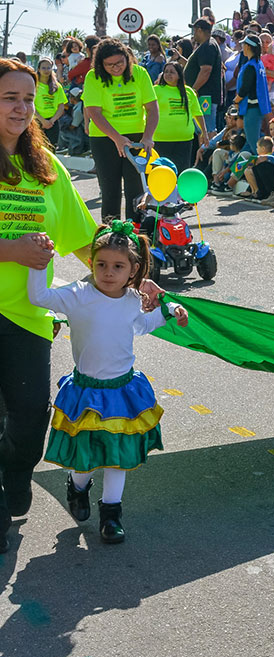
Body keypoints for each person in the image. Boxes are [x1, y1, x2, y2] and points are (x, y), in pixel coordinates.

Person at [0, 57, 107, 553]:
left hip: (26, 315)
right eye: (10, 98)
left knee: (28, 419)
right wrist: (10, 250)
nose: (22, 108)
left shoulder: (45, 167)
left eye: (28, 98)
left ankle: (15, 471)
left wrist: (135, 278)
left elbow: (84, 239)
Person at [26, 222, 187, 543]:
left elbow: (141, 326)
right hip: (86, 392)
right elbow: (38, 296)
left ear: (133, 269)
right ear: (91, 264)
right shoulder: (76, 295)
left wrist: (170, 310)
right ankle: (78, 486)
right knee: (85, 456)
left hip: (123, 392)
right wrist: (37, 262)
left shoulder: (131, 300)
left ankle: (111, 514)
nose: (108, 272)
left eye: (118, 266)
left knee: (117, 457)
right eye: (101, 264)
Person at [83, 39, 158, 224]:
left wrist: (148, 136)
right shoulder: (93, 77)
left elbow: (152, 108)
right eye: (109, 65)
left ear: (127, 58)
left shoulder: (140, 73)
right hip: (104, 138)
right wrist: (116, 138)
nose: (115, 68)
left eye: (119, 63)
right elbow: (94, 111)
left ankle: (137, 234)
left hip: (136, 139)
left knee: (136, 190)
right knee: (111, 190)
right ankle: (111, 236)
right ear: (101, 64)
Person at [152, 62, 208, 173]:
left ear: (179, 75)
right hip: (160, 139)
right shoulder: (156, 90)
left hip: (184, 140)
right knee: (161, 172)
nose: (168, 74)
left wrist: (204, 132)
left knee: (182, 171)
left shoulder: (189, 92)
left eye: (172, 72)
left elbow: (198, 113)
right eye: (166, 72)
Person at [234, 34, 272, 155]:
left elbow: (245, 88)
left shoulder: (251, 65)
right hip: (257, 107)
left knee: (254, 144)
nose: (242, 47)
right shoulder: (258, 63)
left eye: (243, 44)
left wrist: (236, 101)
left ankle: (263, 168)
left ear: (248, 47)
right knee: (252, 143)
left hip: (252, 107)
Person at [185, 19, 223, 134]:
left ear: (200, 30)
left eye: (194, 30)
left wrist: (193, 90)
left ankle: (210, 152)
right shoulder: (207, 45)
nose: (194, 33)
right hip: (204, 95)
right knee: (202, 130)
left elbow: (205, 71)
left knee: (207, 129)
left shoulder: (208, 46)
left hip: (206, 96)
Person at [34, 58, 67, 148]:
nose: (46, 70)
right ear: (39, 69)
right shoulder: (34, 85)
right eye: (43, 68)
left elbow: (61, 106)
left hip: (53, 123)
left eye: (49, 68)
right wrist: (42, 121)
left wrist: (51, 121)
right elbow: (30, 106)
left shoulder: (57, 86)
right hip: (37, 121)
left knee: (51, 149)